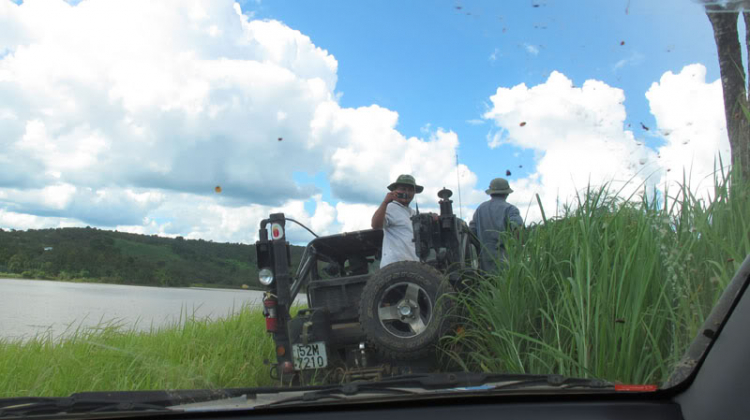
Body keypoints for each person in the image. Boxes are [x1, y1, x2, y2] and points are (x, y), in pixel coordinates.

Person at [470, 177, 524, 273]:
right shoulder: (511, 209)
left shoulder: (480, 209)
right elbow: (517, 229)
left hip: (484, 265)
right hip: (506, 265)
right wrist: (520, 248)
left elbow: (472, 233)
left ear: (491, 193)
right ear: (507, 193)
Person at [371, 174, 423, 268]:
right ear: (395, 191)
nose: (407, 192)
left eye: (410, 190)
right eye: (403, 189)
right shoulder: (390, 207)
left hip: (413, 267)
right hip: (394, 268)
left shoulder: (413, 212)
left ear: (414, 193)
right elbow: (376, 225)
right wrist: (385, 202)